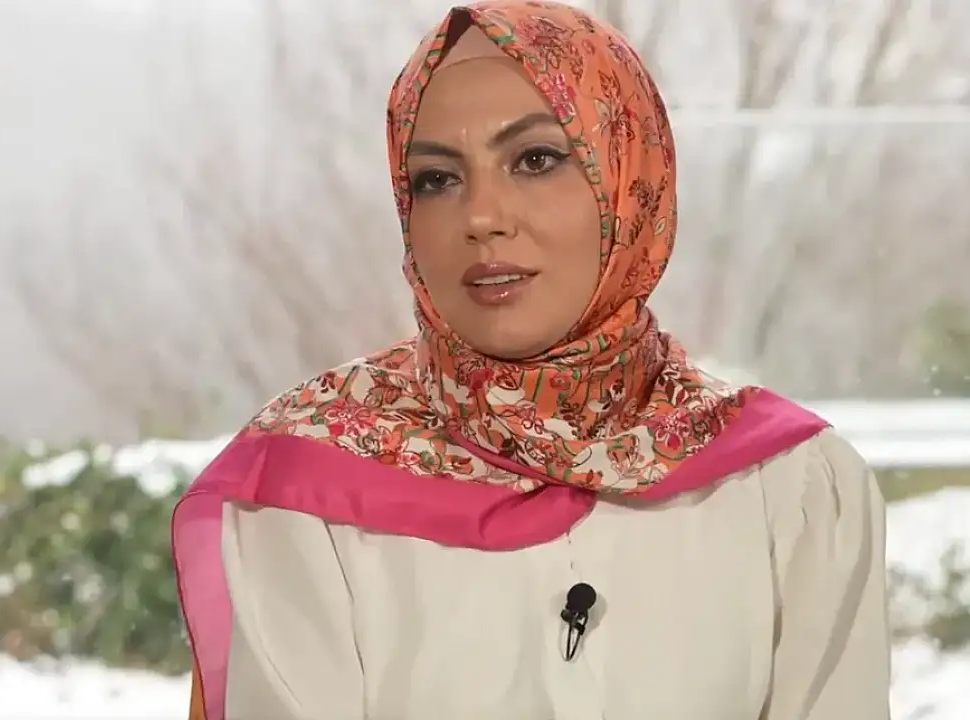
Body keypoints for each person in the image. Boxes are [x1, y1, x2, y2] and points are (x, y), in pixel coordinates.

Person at [173, 2, 891, 718]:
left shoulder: (789, 486)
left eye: (536, 160)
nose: (482, 217)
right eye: (437, 179)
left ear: (629, 179)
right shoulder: (304, 487)